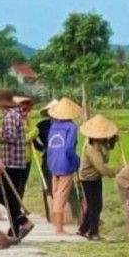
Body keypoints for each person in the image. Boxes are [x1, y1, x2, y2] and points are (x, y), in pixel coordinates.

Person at [0, 89, 35, 238]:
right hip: (16, 161)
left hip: (11, 162)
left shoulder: (10, 116)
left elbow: (9, 135)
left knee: (1, 195)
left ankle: (23, 220)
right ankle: (14, 230)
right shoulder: (16, 115)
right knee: (11, 197)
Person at [76, 115, 120, 241]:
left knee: (93, 204)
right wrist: (115, 172)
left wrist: (113, 142)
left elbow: (106, 151)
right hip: (88, 178)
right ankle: (93, 232)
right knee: (96, 205)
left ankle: (83, 229)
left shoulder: (100, 141)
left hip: (95, 177)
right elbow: (100, 167)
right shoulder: (90, 147)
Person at [43, 98, 82, 236]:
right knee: (62, 195)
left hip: (53, 163)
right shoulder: (71, 127)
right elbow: (69, 148)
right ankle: (59, 228)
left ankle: (57, 224)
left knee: (55, 192)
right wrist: (76, 161)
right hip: (66, 164)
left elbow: (50, 147)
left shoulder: (53, 126)